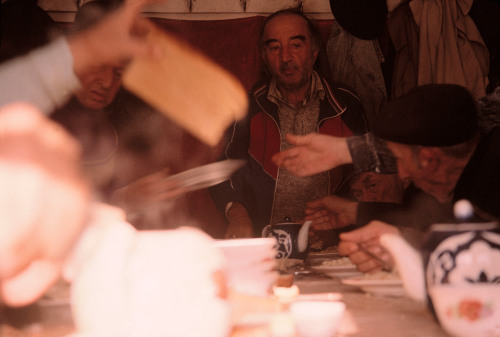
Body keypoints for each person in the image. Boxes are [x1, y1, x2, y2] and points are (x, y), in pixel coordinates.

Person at [0, 0, 162, 307]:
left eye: (117, 72)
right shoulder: (35, 128)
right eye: (96, 66)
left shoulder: (112, 129)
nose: (104, 82)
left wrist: (120, 204)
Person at [273, 83, 500, 272]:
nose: (401, 172)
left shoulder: (491, 183)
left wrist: (408, 246)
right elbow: (440, 223)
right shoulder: (473, 172)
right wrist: (361, 214)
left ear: (430, 159)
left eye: (400, 160)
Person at [209, 8, 368, 239]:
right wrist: (236, 212)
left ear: (314, 51)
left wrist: (341, 215)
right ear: (263, 55)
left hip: (332, 246)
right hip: (265, 245)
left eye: (296, 45)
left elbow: (364, 173)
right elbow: (221, 170)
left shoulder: (345, 104)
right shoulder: (246, 107)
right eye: (274, 48)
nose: (285, 57)